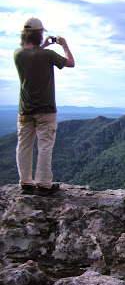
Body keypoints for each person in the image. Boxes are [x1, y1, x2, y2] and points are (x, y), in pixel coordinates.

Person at [14, 17, 75, 196]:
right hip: (46, 109)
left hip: (24, 109)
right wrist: (64, 45)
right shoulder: (47, 55)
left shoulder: (18, 54)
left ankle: (25, 183)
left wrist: (44, 46)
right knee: (45, 145)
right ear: (39, 34)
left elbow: (33, 54)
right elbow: (70, 63)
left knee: (23, 145)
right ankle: (43, 184)